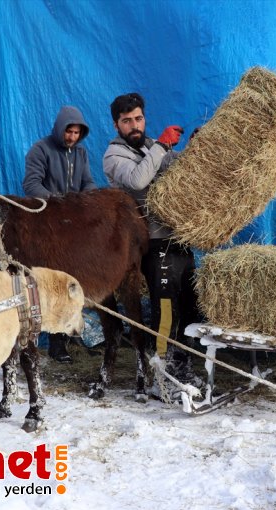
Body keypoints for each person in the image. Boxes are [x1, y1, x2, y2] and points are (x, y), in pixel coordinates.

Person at [102, 92, 201, 391]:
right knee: (166, 308)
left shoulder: (150, 146)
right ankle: (161, 374)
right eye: (127, 121)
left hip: (176, 236)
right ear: (116, 125)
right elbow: (137, 180)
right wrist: (161, 146)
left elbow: (176, 170)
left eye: (139, 119)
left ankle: (181, 367)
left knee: (190, 305)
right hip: (151, 242)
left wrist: (197, 149)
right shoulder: (114, 157)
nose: (135, 125)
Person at [23, 105, 96, 363]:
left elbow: (88, 182)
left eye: (77, 133)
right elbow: (31, 184)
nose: (72, 137)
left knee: (74, 281)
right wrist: (59, 202)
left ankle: (72, 334)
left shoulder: (81, 153)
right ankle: (53, 344)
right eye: (69, 131)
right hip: (47, 226)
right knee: (53, 284)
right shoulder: (41, 149)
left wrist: (89, 200)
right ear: (59, 128)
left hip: (72, 227)